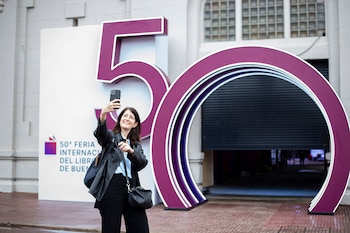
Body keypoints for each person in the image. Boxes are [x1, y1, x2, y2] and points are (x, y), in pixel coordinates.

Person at [92, 98, 150, 233]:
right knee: (111, 227)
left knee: (140, 227)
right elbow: (101, 134)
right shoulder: (111, 137)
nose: (127, 118)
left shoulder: (136, 145)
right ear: (120, 120)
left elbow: (142, 163)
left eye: (131, 117)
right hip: (111, 185)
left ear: (135, 124)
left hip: (131, 187)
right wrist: (103, 115)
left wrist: (131, 151)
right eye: (125, 115)